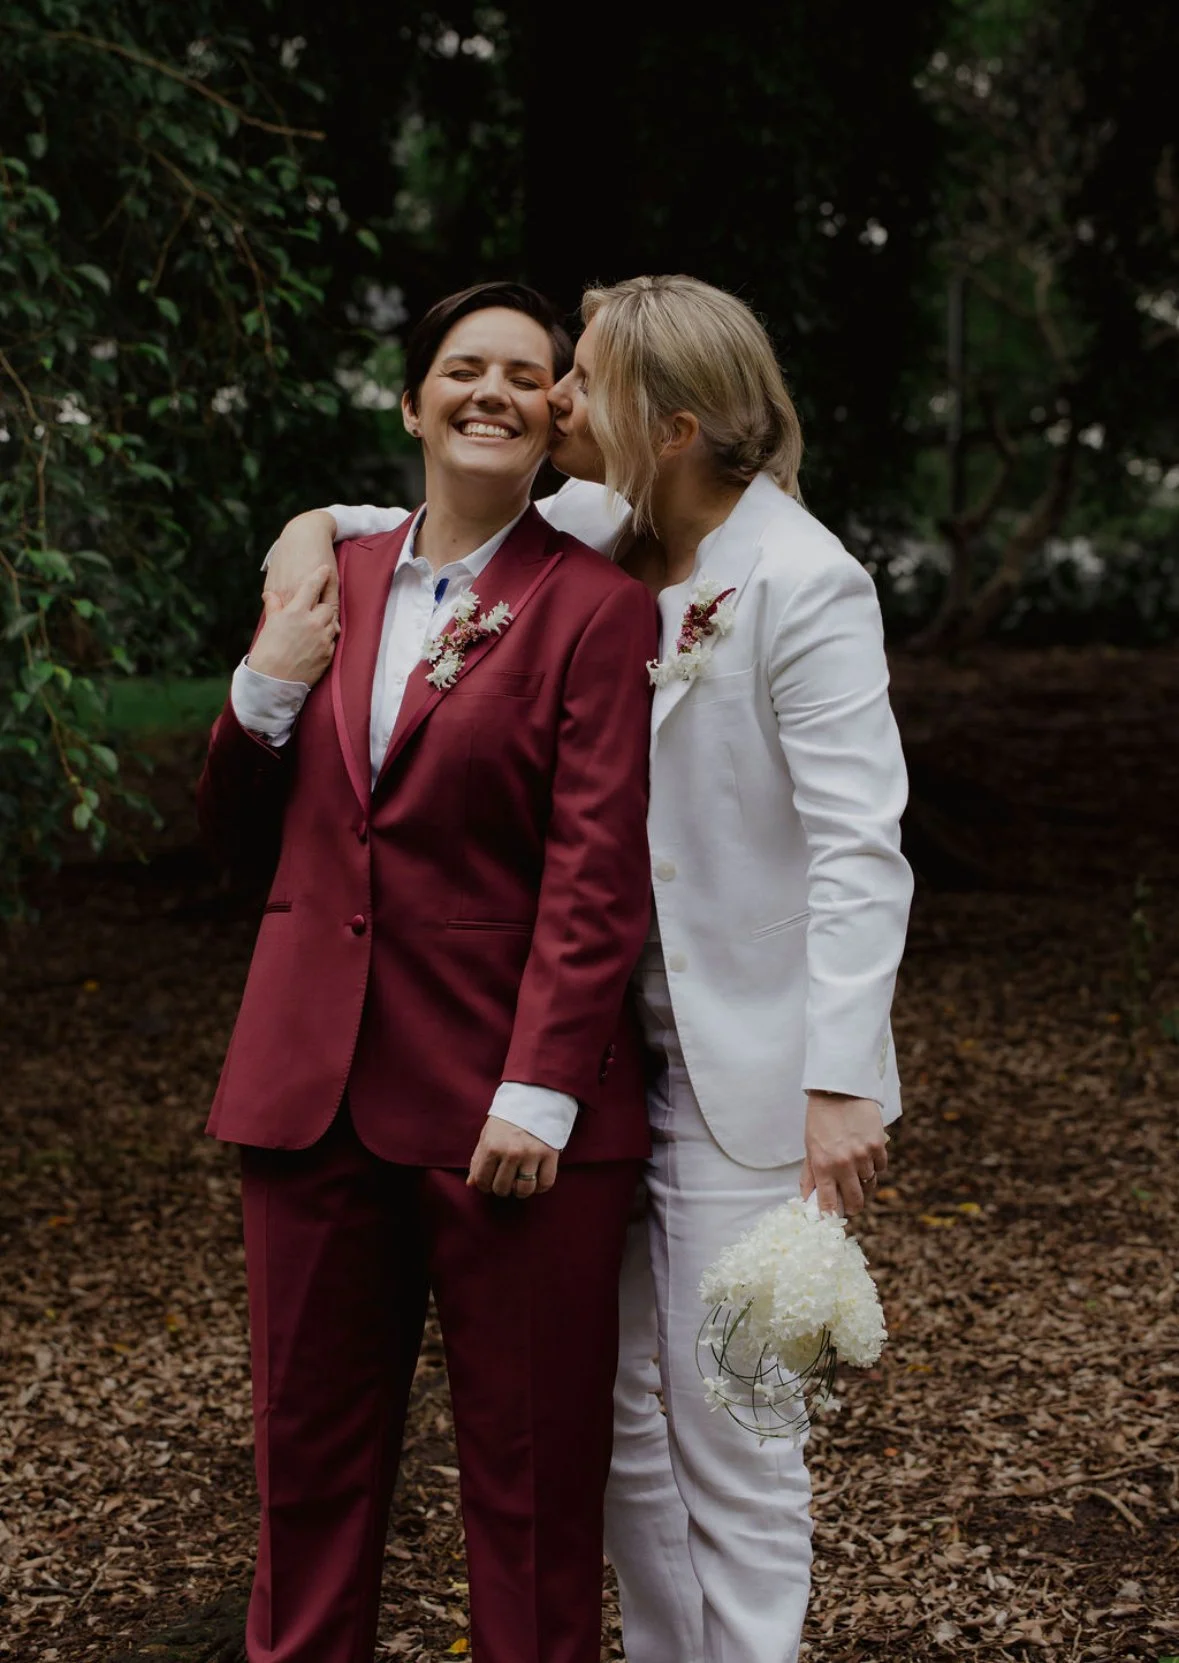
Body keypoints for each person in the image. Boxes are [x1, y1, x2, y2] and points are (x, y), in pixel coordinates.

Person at [266, 273, 913, 1663]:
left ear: (665, 425)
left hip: (747, 1065)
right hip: (597, 1058)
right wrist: (305, 528)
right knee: (613, 1427)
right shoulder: (600, 527)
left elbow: (862, 849)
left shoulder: (804, 580)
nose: (550, 399)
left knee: (733, 1427)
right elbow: (407, 528)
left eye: (579, 379)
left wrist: (844, 1079)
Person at [198, 280, 658, 1663]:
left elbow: (596, 868)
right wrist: (265, 679)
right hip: (309, 1101)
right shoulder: (324, 580)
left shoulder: (596, 609)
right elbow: (232, 835)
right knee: (304, 1477)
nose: (491, 392)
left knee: (531, 1493)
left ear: (556, 415)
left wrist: (540, 1089)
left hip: (506, 1118)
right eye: (464, 368)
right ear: (411, 402)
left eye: (525, 373)